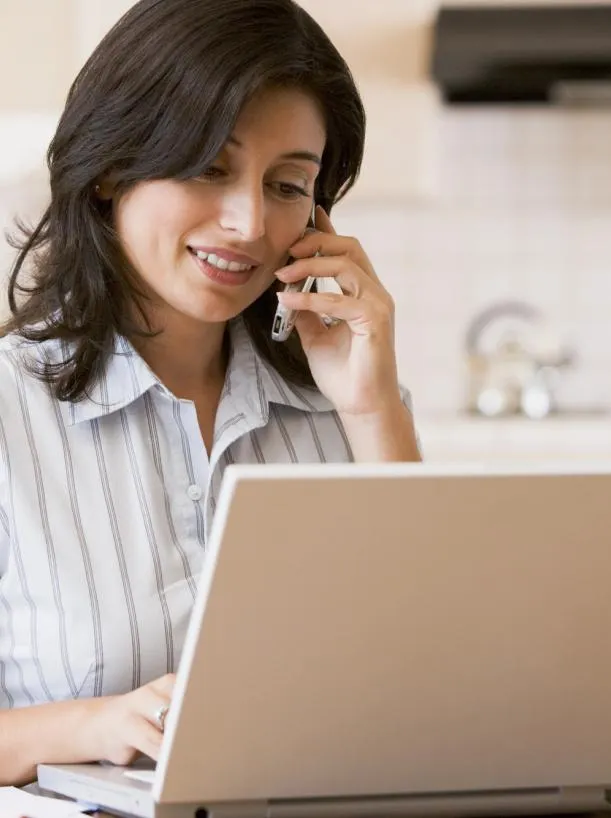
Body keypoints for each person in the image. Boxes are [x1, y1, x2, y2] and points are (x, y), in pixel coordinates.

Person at [0, 0, 421, 785]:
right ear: (109, 169)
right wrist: (89, 723)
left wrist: (372, 411)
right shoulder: (8, 411)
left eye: (287, 183)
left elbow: (431, 684)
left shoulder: (346, 404)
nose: (248, 221)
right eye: (208, 168)